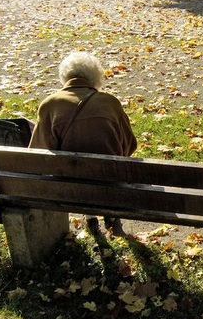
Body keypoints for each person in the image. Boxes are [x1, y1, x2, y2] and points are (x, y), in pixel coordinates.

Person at [29, 51, 137, 236]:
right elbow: (130, 145)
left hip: (69, 189)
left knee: (77, 172)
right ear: (96, 77)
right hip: (111, 184)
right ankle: (112, 216)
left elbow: (38, 153)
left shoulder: (49, 105)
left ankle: (90, 218)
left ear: (64, 76)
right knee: (102, 170)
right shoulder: (110, 103)